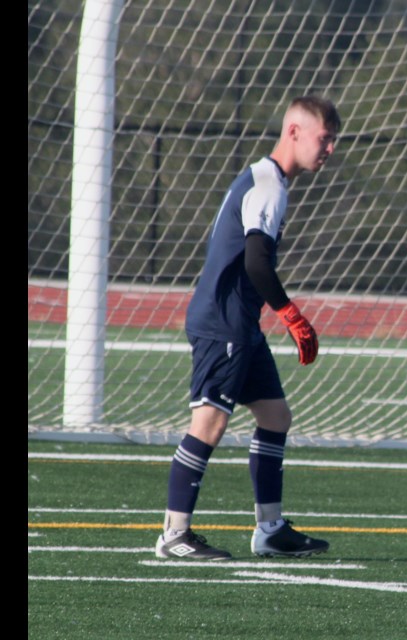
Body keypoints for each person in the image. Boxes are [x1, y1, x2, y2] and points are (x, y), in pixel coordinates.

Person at [155, 96, 341, 560]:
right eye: (325, 138)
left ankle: (270, 530)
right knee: (210, 423)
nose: (331, 149)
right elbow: (257, 262)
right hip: (225, 323)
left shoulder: (268, 179)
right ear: (294, 131)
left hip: (241, 325)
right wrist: (291, 315)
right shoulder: (268, 186)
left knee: (275, 416)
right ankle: (174, 535)